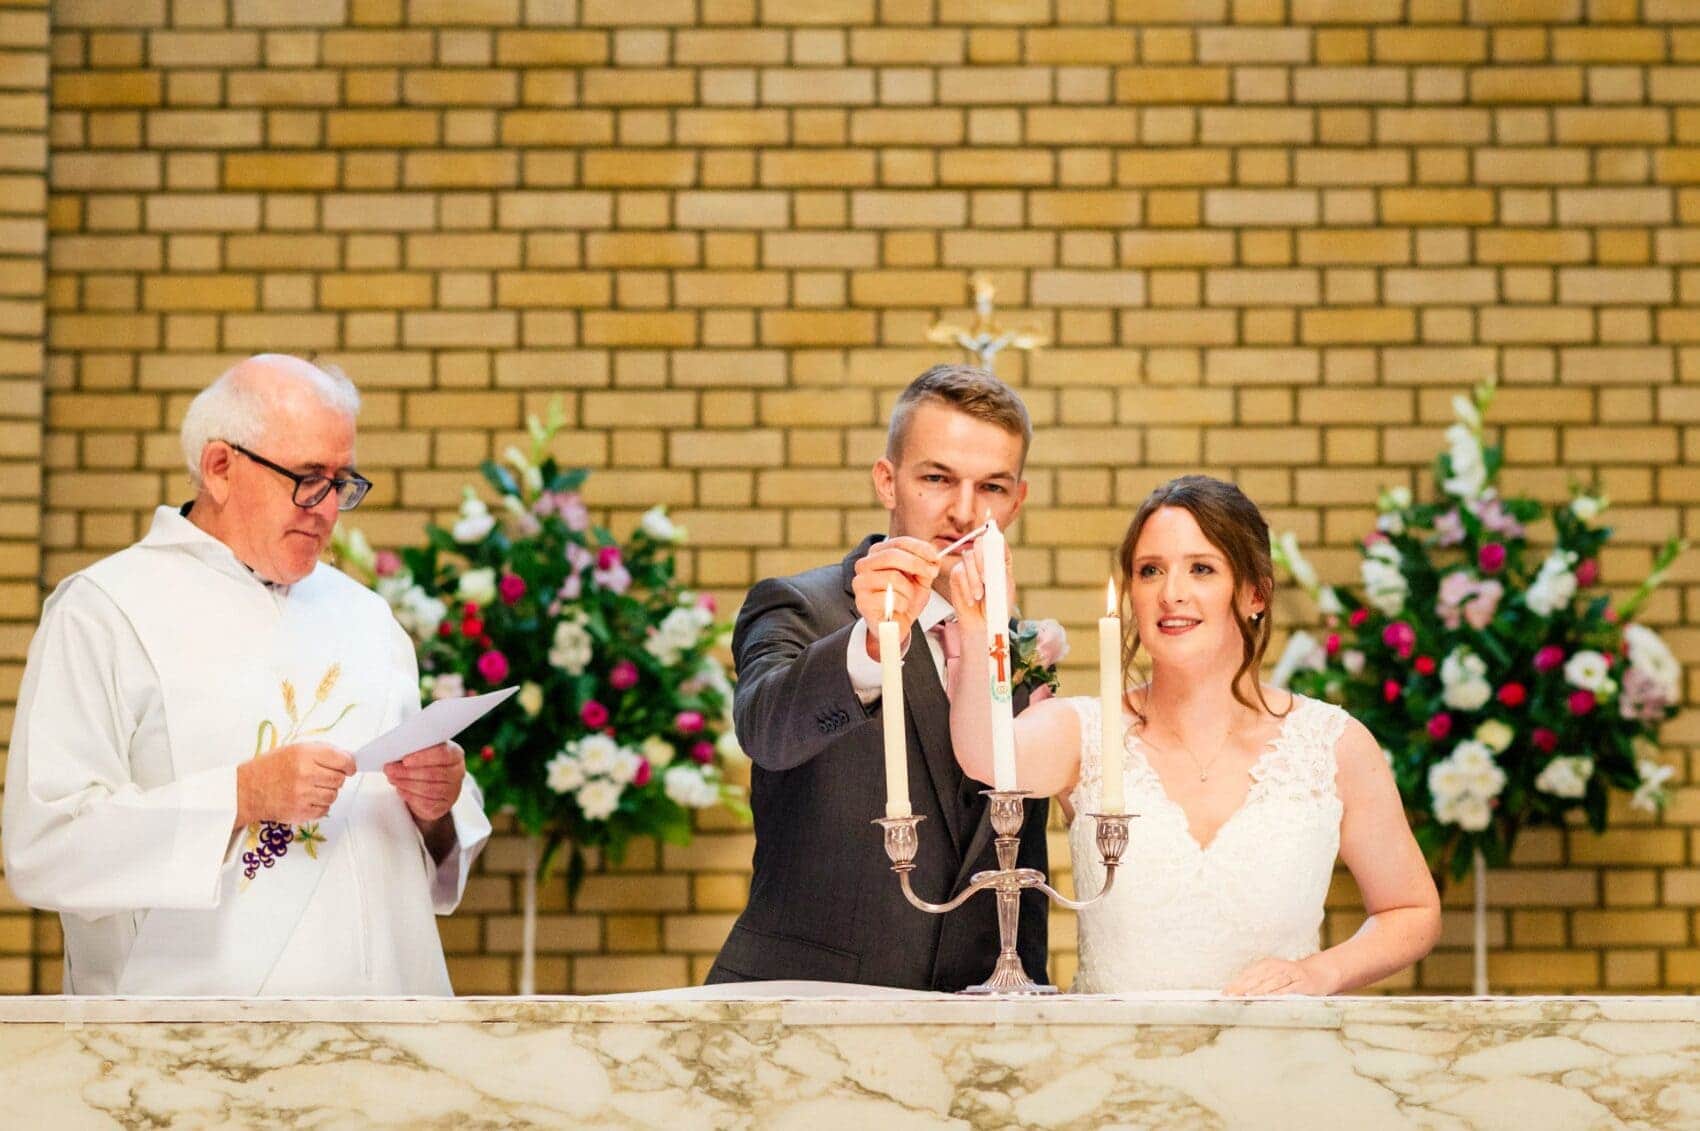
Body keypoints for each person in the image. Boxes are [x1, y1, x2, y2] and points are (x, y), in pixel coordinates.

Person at [2, 354, 491, 995]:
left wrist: (437, 804)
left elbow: (416, 839)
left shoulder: (366, 617)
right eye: (307, 477)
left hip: (389, 1031)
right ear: (220, 468)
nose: (325, 508)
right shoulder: (105, 610)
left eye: (341, 482)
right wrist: (240, 796)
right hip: (192, 1048)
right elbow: (46, 845)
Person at [945, 475, 1441, 993]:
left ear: (1255, 593)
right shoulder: (1084, 733)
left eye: (1201, 569)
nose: (1171, 594)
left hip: (1281, 1061)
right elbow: (988, 756)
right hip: (1112, 1065)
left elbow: (1410, 910)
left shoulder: (1333, 744)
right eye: (1150, 571)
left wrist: (1321, 972)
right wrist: (981, 627)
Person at [706, 364, 1052, 990]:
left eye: (992, 488)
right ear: (887, 482)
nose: (964, 512)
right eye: (937, 479)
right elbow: (766, 731)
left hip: (976, 1024)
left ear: (1018, 500)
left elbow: (1017, 856)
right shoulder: (799, 606)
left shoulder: (1016, 644)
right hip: (806, 1009)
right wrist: (871, 642)